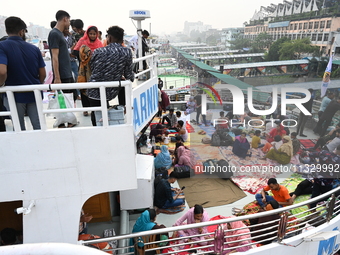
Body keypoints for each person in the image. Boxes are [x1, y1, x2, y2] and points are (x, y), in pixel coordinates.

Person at [0, 16, 46, 131]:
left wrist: (1, 85)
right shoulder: (34, 49)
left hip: (14, 95)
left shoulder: (2, 46)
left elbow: (2, 72)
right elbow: (43, 73)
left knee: (19, 129)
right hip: (33, 93)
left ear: (6, 31)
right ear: (21, 32)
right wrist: (37, 84)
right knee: (39, 127)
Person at [87, 26, 134, 125]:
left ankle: (96, 129)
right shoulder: (126, 52)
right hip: (110, 91)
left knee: (96, 115)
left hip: (94, 91)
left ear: (110, 38)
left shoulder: (98, 51)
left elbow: (92, 67)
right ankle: (123, 107)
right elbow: (129, 75)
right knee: (123, 84)